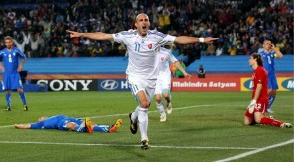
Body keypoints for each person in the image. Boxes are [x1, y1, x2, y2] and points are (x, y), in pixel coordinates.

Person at [67, 13, 218, 150]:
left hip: (152, 79)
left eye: (146, 20)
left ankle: (133, 117)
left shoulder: (157, 36)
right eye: (141, 20)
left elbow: (179, 40)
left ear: (149, 24)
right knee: (145, 104)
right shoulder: (128, 36)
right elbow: (103, 36)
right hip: (134, 76)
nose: (144, 22)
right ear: (136, 24)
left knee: (143, 106)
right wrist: (82, 34)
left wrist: (202, 39)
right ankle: (144, 139)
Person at [244, 53, 291, 128]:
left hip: (261, 99)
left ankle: (281, 124)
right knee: (247, 121)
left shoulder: (260, 70)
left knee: (258, 120)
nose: (248, 60)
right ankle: (265, 118)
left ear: (255, 59)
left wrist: (254, 101)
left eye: (250, 58)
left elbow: (259, 87)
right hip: (256, 98)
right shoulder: (255, 71)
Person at [155, 47, 191, 122]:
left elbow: (175, 62)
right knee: (158, 98)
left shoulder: (166, 52)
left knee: (165, 95)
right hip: (154, 77)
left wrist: (184, 72)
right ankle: (162, 114)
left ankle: (168, 102)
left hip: (165, 76)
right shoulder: (147, 51)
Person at [0, 36, 28, 111]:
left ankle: (25, 105)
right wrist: (1, 67)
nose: (8, 44)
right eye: (6, 42)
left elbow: (24, 57)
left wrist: (20, 66)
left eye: (9, 42)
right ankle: (8, 107)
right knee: (7, 90)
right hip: (6, 74)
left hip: (15, 73)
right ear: (5, 43)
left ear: (12, 42)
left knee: (19, 89)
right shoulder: (3, 51)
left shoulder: (16, 50)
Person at [14, 115, 122, 134]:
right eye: (40, 118)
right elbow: (28, 125)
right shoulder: (41, 124)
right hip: (61, 123)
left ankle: (109, 128)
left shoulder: (51, 116)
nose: (42, 117)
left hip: (69, 118)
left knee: (90, 123)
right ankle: (84, 129)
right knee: (71, 125)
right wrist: (18, 125)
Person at [259, 40, 283, 113]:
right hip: (265, 75)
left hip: (272, 74)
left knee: (274, 91)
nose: (268, 45)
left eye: (269, 44)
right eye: (267, 44)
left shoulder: (272, 54)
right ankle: (260, 103)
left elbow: (280, 56)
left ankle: (268, 107)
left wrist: (275, 48)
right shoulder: (260, 54)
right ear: (263, 45)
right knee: (269, 90)